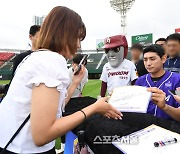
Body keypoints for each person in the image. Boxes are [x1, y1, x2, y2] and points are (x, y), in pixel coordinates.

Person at [0, 6, 122, 153]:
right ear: (64, 34)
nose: (78, 45)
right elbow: (42, 135)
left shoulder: (35, 57)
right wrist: (94, 108)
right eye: (77, 37)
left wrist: (74, 83)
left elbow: (51, 108)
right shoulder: (51, 60)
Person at [135, 44, 180, 122]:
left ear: (163, 59)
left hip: (170, 129)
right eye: (145, 60)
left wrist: (165, 107)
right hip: (144, 128)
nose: (148, 63)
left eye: (152, 59)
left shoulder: (177, 80)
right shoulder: (140, 81)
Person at [1, 25, 41, 99]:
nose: (43, 40)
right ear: (30, 37)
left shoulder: (48, 57)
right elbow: (14, 82)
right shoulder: (21, 57)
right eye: (39, 37)